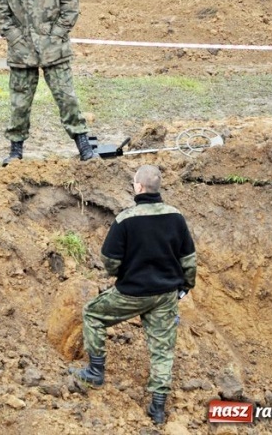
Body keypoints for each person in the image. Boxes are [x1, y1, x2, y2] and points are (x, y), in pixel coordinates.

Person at [73, 165, 197, 425]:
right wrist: (186, 286)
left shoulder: (126, 219)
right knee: (162, 350)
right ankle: (158, 408)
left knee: (92, 313)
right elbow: (188, 258)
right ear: (157, 187)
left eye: (134, 184)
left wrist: (122, 274)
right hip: (165, 294)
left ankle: (95, 371)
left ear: (139, 187)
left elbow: (109, 260)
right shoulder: (176, 217)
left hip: (132, 292)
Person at [0, 0, 96, 165]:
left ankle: (84, 145)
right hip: (22, 52)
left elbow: (71, 5)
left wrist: (57, 34)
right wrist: (16, 38)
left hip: (54, 51)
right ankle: (15, 151)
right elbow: (0, 11)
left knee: (67, 98)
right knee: (19, 104)